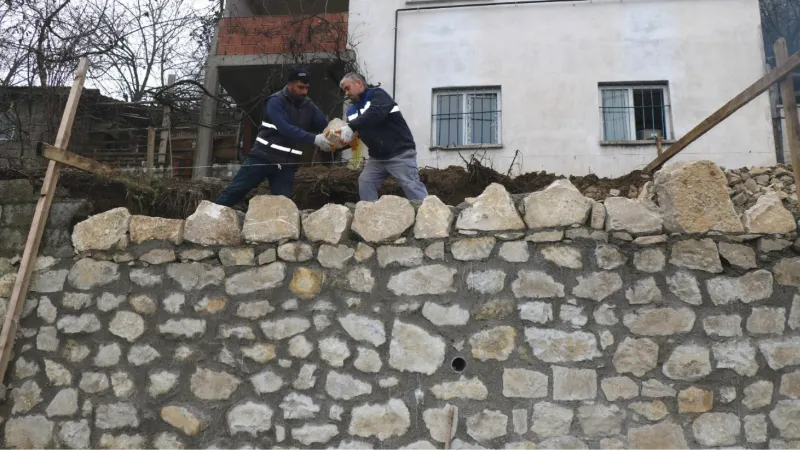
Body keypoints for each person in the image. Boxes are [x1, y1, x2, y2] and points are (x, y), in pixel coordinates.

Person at [215, 67, 333, 206]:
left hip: (286, 164)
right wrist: (314, 139)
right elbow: (285, 128)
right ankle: (208, 218)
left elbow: (325, 126)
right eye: (300, 87)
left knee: (284, 204)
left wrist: (342, 135)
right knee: (235, 191)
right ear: (289, 85)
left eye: (306, 88)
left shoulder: (309, 106)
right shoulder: (275, 101)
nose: (304, 92)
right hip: (263, 157)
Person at [335, 72, 428, 201]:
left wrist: (351, 126)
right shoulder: (351, 111)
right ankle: (370, 214)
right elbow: (354, 135)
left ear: (358, 83)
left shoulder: (378, 95)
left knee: (411, 185)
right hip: (377, 158)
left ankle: (429, 214)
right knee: (366, 181)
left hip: (399, 153)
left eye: (347, 88)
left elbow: (376, 113)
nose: (346, 93)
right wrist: (334, 144)